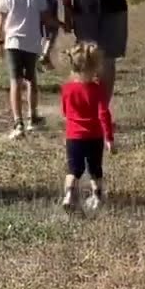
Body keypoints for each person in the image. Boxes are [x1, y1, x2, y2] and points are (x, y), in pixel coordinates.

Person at [0, 0, 59, 139]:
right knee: (31, 79)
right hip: (32, 42)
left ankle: (18, 122)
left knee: (15, 81)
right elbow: (46, 17)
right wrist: (59, 24)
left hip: (13, 42)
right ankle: (33, 117)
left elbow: (1, 19)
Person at [60, 41, 115, 213]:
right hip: (94, 136)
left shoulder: (67, 89)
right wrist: (109, 138)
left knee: (73, 169)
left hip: (73, 136)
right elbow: (103, 114)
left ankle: (69, 195)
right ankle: (97, 197)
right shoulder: (97, 89)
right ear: (95, 67)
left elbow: (65, 111)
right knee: (95, 169)